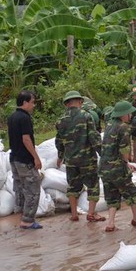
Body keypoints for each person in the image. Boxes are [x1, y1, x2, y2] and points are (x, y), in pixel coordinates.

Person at [99, 101, 136, 232]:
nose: (131, 115)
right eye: (130, 113)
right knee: (132, 192)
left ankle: (110, 223)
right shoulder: (124, 127)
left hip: (104, 168)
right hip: (117, 168)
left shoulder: (109, 125)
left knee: (111, 195)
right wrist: (127, 163)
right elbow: (124, 149)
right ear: (124, 114)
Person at [55, 91, 104, 222]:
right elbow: (94, 138)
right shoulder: (86, 116)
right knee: (92, 185)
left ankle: (74, 214)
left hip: (71, 160)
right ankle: (91, 213)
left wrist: (60, 157)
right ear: (80, 102)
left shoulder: (61, 120)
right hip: (87, 159)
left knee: (73, 186)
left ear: (67, 104)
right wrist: (102, 153)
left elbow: (59, 141)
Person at [7, 90, 43, 229]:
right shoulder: (24, 118)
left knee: (20, 188)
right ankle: (27, 220)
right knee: (33, 189)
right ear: (25, 102)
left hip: (14, 159)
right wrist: (36, 158)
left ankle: (20, 214)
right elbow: (26, 139)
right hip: (24, 160)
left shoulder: (12, 117)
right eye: (32, 102)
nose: (33, 105)